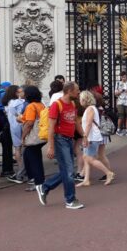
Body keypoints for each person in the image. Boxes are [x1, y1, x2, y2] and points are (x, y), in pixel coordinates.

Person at [36, 81, 85, 209]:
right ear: (69, 91)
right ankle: (70, 199)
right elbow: (51, 128)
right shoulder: (56, 105)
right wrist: (51, 146)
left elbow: (75, 122)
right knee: (69, 171)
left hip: (68, 139)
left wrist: (84, 135)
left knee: (67, 170)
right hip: (60, 139)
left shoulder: (73, 104)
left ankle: (45, 187)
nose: (79, 92)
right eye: (77, 90)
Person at [77, 90, 115, 187]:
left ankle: (108, 172)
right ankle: (86, 179)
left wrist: (85, 136)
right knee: (87, 158)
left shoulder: (90, 109)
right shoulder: (91, 108)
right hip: (91, 136)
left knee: (89, 158)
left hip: (92, 137)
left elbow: (89, 123)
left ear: (85, 100)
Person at [19, 86, 46, 192]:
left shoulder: (31, 106)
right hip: (40, 135)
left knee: (32, 159)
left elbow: (29, 123)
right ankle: (39, 180)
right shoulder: (41, 105)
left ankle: (38, 182)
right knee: (35, 158)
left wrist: (23, 137)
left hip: (33, 136)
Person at [3, 86, 26, 182]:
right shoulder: (20, 102)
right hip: (22, 125)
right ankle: (23, 170)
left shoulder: (8, 103)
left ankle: (21, 170)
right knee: (24, 148)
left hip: (13, 127)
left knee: (17, 148)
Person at [114, 71, 127, 135]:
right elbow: (115, 93)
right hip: (120, 102)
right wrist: (121, 91)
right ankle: (118, 129)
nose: (123, 78)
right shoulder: (118, 83)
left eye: (124, 77)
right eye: (122, 77)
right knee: (120, 116)